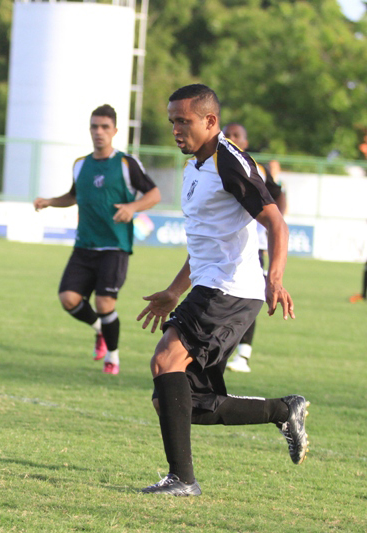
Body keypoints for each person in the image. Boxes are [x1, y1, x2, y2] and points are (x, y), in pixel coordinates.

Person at [136, 84, 308, 496]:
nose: (176, 129)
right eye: (172, 121)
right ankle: (283, 411)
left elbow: (276, 222)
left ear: (210, 121)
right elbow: (204, 244)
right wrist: (175, 290)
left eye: (185, 121)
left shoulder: (229, 161)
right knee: (175, 403)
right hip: (209, 286)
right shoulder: (193, 167)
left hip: (229, 290)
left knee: (165, 361)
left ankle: (183, 481)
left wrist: (276, 276)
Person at [34, 104, 161, 374]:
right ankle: (100, 331)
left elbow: (154, 194)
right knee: (68, 298)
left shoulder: (126, 163)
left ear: (115, 131)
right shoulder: (81, 165)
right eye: (94, 126)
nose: (99, 132)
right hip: (84, 245)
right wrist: (50, 201)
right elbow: (73, 196)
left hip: (115, 247)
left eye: (105, 127)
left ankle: (112, 357)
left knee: (105, 304)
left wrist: (132, 208)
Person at [222, 123, 287, 373]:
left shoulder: (254, 167)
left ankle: (243, 356)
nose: (232, 138)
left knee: (248, 295)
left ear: (246, 142)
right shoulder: (216, 164)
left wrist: (274, 223)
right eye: (228, 134)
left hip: (252, 246)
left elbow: (277, 194)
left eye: (237, 135)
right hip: (226, 245)